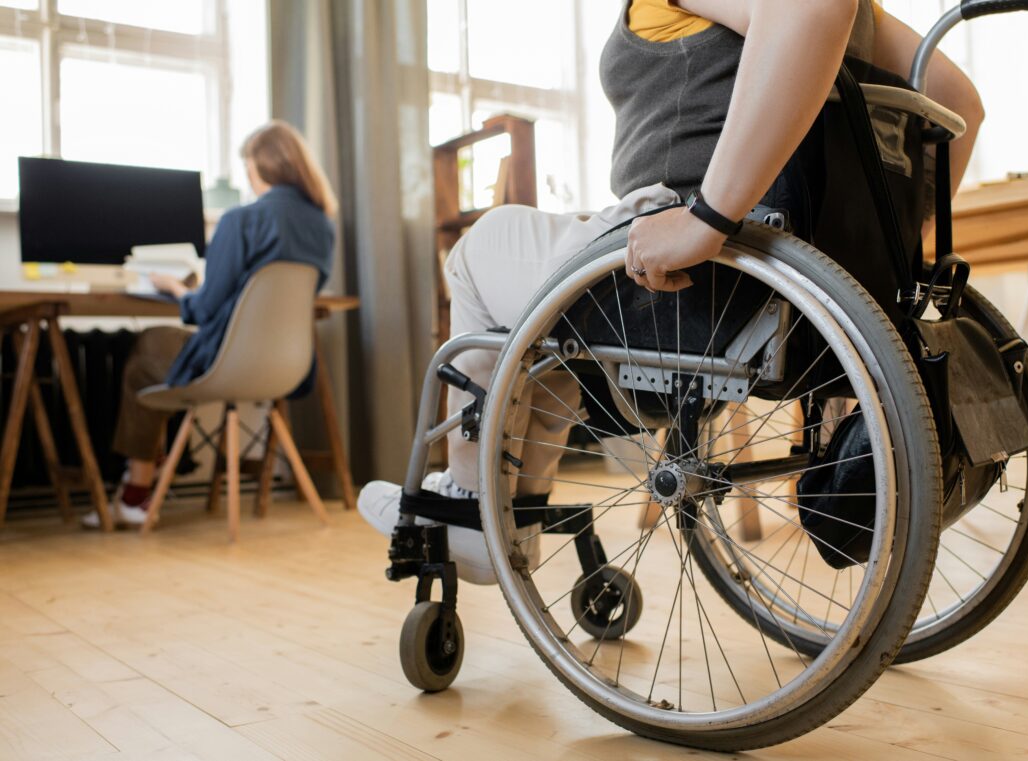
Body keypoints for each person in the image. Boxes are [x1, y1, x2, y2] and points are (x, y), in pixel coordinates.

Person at [357, 0, 984, 583]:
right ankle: (511, 517)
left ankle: (471, 503)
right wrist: (887, 247)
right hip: (791, 298)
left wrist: (709, 219)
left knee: (480, 250)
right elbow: (957, 102)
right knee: (541, 304)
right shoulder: (868, 15)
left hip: (687, 283)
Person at [82, 120, 337, 529]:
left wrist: (177, 289)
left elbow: (204, 309)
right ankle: (142, 482)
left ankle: (135, 491)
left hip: (228, 361)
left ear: (260, 167)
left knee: (148, 347)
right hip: (286, 366)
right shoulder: (322, 226)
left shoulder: (241, 220)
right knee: (159, 353)